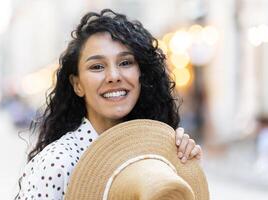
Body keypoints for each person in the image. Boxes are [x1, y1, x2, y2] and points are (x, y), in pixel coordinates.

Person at [16, 9, 202, 200]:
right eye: (97, 66)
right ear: (77, 85)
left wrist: (184, 167)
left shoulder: (157, 153)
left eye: (125, 63)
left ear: (142, 76)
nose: (113, 76)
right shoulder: (59, 163)